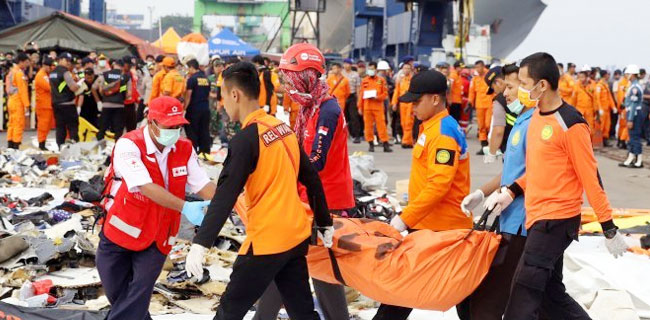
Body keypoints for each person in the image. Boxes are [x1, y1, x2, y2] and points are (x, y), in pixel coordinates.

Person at [183, 61, 333, 320]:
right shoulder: (282, 128)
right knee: (302, 312)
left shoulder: (246, 139)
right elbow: (311, 179)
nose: (222, 105)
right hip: (295, 237)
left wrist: (200, 244)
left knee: (229, 311)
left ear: (234, 94)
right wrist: (324, 223)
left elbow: (225, 195)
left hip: (266, 242)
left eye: (222, 97)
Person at [486, 52, 627, 320]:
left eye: (525, 84)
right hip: (537, 216)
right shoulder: (537, 117)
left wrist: (608, 227)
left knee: (522, 293)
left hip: (556, 220)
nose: (521, 91)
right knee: (551, 294)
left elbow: (591, 177)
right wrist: (511, 191)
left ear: (542, 85)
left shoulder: (570, 123)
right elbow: (540, 170)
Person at [254, 43, 354, 320]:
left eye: (290, 78)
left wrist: (278, 168)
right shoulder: (311, 107)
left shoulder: (327, 111)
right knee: (299, 268)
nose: (287, 86)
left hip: (325, 204)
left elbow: (316, 161)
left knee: (308, 270)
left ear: (306, 76)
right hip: (307, 200)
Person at [96, 96, 216, 320]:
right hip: (121, 232)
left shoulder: (184, 148)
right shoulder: (129, 144)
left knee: (138, 293)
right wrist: (185, 207)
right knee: (120, 295)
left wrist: (229, 203)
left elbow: (203, 185)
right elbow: (144, 185)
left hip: (158, 236)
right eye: (169, 126)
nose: (175, 131)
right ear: (151, 123)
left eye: (179, 126)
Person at [375, 69, 472, 320]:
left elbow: (439, 185)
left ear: (436, 99)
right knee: (464, 298)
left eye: (417, 102)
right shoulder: (430, 127)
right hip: (430, 223)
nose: (412, 107)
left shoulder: (442, 133)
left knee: (401, 293)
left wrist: (404, 218)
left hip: (440, 228)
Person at [461, 62, 533, 320]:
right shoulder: (522, 121)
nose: (507, 93)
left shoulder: (536, 125)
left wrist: (511, 192)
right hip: (509, 219)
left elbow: (538, 171)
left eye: (514, 86)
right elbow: (511, 171)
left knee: (491, 298)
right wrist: (481, 192)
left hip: (522, 222)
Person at [484, 65, 520, 163]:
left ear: (498, 82)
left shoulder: (500, 100)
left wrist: (492, 153)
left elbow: (498, 130)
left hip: (510, 149)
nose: (495, 92)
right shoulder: (526, 95)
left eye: (493, 88)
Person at [358, 61, 392, 152]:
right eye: (369, 69)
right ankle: (371, 144)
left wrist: (377, 97)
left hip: (378, 107)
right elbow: (361, 95)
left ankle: (385, 143)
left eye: (372, 69)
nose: (370, 71)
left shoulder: (381, 80)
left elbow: (385, 94)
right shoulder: (365, 80)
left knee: (382, 126)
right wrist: (360, 107)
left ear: (376, 69)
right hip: (367, 107)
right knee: (368, 127)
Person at [49, 52, 82, 147]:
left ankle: (60, 146)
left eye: (69, 61)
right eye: (66, 60)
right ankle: (74, 146)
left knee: (60, 127)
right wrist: (79, 84)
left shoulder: (52, 73)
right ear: (60, 60)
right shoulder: (65, 72)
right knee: (72, 126)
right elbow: (73, 87)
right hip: (68, 104)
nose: (68, 63)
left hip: (56, 103)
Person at [95, 58, 131, 140]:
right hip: (119, 105)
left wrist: (103, 98)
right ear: (122, 67)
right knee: (118, 128)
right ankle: (116, 147)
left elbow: (100, 89)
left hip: (106, 105)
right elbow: (129, 94)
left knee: (103, 127)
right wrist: (122, 95)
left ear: (114, 65)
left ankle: (100, 145)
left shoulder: (105, 74)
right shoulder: (126, 77)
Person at [183, 59, 213, 158]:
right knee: (204, 130)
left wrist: (184, 109)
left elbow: (188, 96)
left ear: (192, 67)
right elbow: (208, 95)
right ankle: (205, 152)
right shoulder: (206, 78)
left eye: (188, 68)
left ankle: (194, 152)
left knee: (192, 131)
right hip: (205, 108)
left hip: (194, 109)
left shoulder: (192, 79)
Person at [619, 64, 645, 168]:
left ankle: (639, 160)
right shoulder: (632, 86)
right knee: (632, 137)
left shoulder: (635, 88)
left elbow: (634, 104)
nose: (626, 76)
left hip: (634, 114)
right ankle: (631, 158)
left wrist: (630, 119)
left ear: (632, 75)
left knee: (635, 137)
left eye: (628, 74)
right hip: (632, 112)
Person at [468, 60, 494, 154]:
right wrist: (469, 103)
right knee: (481, 126)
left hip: (490, 104)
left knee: (488, 125)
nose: (477, 70)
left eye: (479, 67)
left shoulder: (490, 76)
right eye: (476, 68)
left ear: (483, 66)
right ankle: (484, 147)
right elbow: (471, 91)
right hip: (479, 105)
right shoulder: (475, 79)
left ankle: (492, 145)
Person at [5, 53, 31, 149]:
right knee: (18, 125)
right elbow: (23, 90)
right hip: (18, 102)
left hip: (11, 100)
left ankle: (10, 145)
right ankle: (16, 146)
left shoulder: (11, 72)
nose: (27, 65)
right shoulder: (19, 73)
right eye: (26, 62)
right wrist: (27, 105)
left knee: (11, 124)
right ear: (21, 62)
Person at [392, 62, 414, 148]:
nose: (406, 70)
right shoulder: (400, 80)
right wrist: (394, 103)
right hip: (402, 103)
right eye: (404, 68)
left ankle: (406, 141)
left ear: (410, 69)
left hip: (410, 103)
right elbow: (396, 92)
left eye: (408, 68)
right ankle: (409, 141)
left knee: (409, 122)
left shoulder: (413, 80)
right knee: (403, 123)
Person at [35, 57, 55, 150]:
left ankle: (43, 142)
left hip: (48, 105)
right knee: (43, 125)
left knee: (47, 126)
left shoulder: (46, 75)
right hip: (43, 105)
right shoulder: (41, 76)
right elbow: (50, 87)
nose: (51, 69)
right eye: (50, 67)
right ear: (45, 66)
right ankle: (41, 143)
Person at [342, 58, 363, 143]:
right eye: (345, 64)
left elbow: (358, 87)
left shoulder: (355, 75)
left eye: (348, 64)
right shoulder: (341, 74)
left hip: (352, 96)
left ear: (351, 65)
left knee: (354, 116)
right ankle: (344, 135)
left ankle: (356, 135)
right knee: (343, 117)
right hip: (342, 97)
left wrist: (358, 99)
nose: (346, 65)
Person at [572, 65, 596, 134]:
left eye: (583, 77)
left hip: (590, 111)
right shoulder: (576, 85)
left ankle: (589, 144)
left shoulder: (592, 84)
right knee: (579, 129)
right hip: (579, 111)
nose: (581, 79)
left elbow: (595, 99)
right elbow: (573, 100)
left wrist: (596, 110)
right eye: (580, 77)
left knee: (590, 129)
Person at [595, 70, 616, 147]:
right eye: (608, 74)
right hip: (602, 110)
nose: (609, 76)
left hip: (607, 109)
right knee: (602, 125)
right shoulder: (599, 86)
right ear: (604, 75)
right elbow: (597, 98)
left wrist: (613, 107)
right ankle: (599, 141)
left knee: (607, 125)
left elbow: (609, 97)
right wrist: (599, 108)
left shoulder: (605, 85)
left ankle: (605, 140)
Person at [616, 66, 631, 149]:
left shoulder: (628, 83)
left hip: (626, 106)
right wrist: (621, 105)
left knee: (624, 124)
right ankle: (621, 140)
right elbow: (620, 96)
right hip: (623, 107)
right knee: (623, 125)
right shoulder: (622, 83)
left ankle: (622, 140)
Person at [123, 57, 140, 132]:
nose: (130, 67)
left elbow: (134, 87)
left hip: (131, 103)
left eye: (131, 65)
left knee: (132, 126)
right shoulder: (120, 74)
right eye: (128, 65)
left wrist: (136, 99)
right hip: (121, 104)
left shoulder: (131, 74)